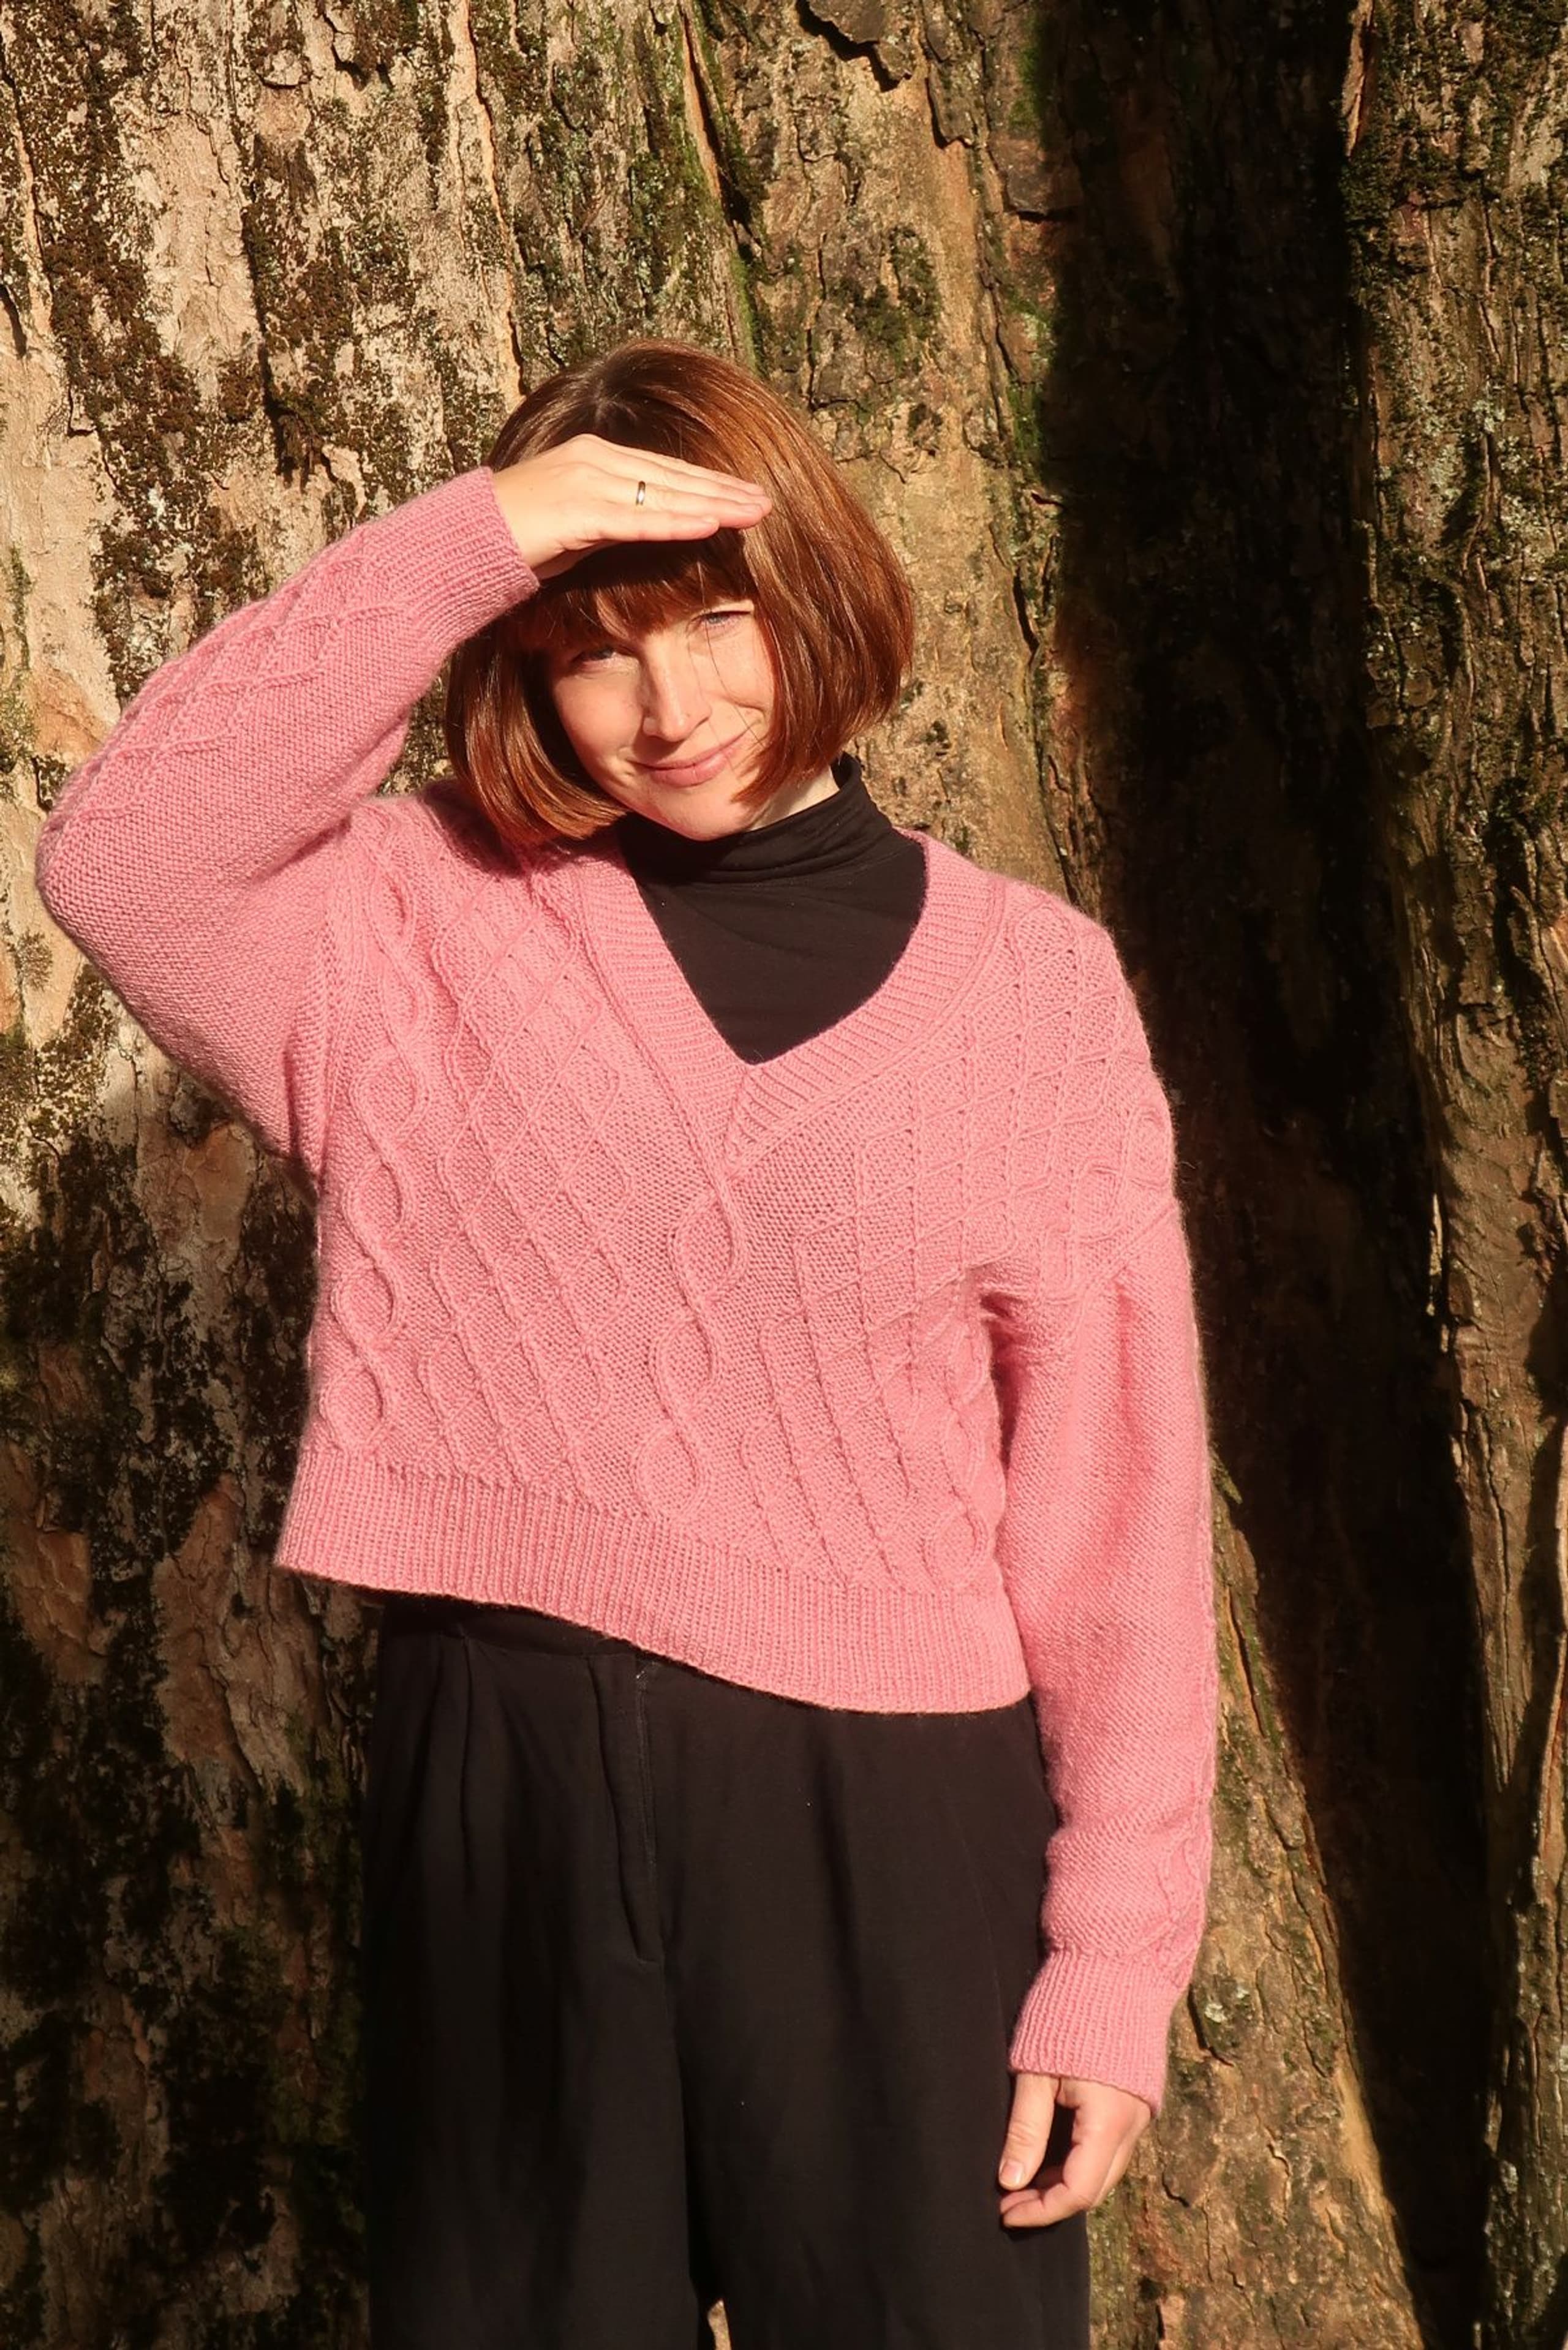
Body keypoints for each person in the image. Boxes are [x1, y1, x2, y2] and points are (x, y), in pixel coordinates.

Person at [34, 336, 1219, 2349]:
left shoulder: (1038, 996)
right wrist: (477, 538)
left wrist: (1116, 1962)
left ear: (818, 588)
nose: (671, 706)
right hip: (501, 1778)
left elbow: (1117, 1514)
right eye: (596, 647)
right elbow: (123, 860)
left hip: (891, 1816)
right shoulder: (412, 921)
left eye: (722, 622)